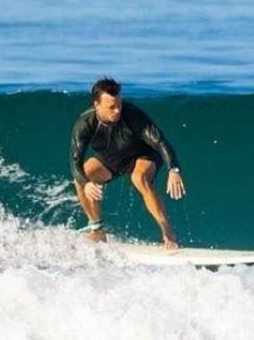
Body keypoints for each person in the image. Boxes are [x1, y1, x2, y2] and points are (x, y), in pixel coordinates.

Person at [70, 76, 186, 249]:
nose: (117, 110)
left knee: (139, 178)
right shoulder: (85, 124)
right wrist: (86, 183)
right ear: (96, 105)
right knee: (82, 177)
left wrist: (173, 170)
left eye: (119, 105)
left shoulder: (132, 115)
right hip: (113, 159)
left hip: (144, 154)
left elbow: (160, 142)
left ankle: (168, 233)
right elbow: (75, 162)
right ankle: (97, 230)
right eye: (111, 107)